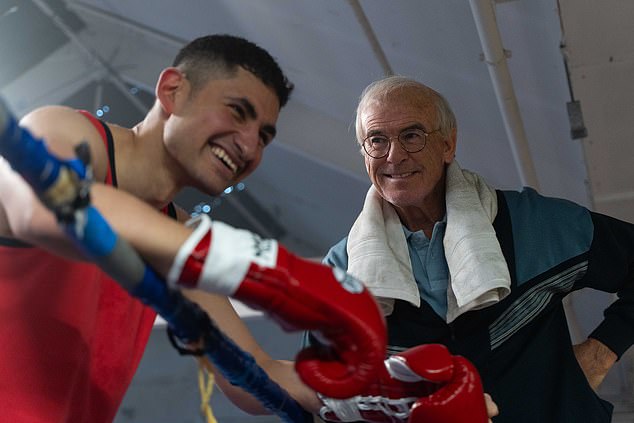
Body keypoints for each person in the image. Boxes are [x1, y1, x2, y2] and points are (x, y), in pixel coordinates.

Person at [0, 33, 497, 421]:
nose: (248, 145)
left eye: (264, 135)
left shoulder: (174, 234)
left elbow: (251, 375)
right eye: (237, 112)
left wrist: (383, 394)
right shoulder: (66, 131)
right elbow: (43, 208)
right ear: (173, 90)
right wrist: (264, 266)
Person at [319, 75, 634, 422]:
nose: (394, 156)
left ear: (448, 145)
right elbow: (324, 391)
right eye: (376, 140)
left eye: (411, 136)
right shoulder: (341, 269)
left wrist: (601, 352)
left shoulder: (532, 224)